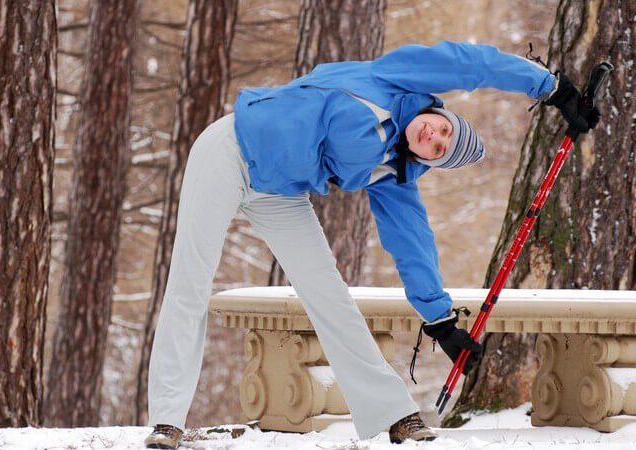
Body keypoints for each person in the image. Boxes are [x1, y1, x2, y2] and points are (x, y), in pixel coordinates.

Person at [143, 40, 599, 448]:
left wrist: (440, 322)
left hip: (278, 192)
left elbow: (412, 244)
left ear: (429, 161)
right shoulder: (394, 79)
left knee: (330, 297)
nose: (434, 137)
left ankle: (394, 415)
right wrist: (550, 87)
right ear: (437, 112)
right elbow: (470, 63)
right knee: (190, 279)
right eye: (442, 128)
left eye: (440, 149)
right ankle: (167, 420)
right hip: (231, 147)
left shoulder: (393, 176)